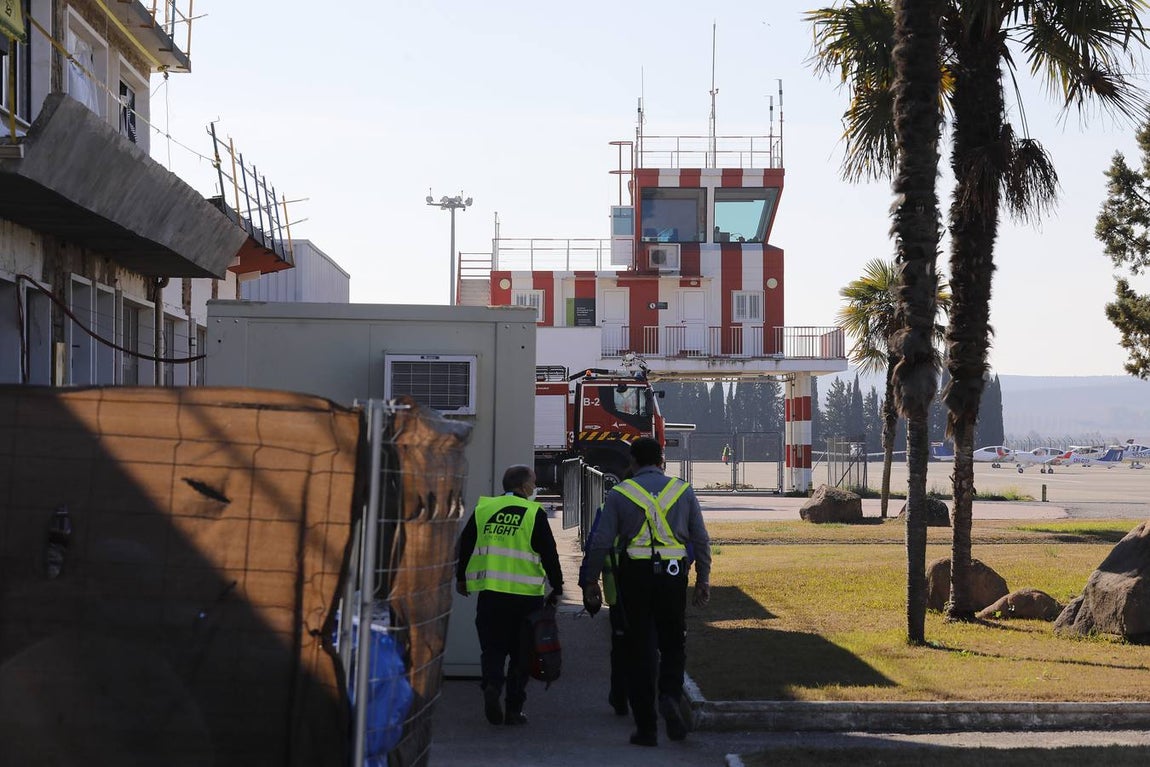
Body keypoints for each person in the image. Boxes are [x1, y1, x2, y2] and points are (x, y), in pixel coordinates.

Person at [579, 437, 711, 747]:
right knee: (673, 642)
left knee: (639, 650)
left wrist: (590, 580)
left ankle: (647, 728)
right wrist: (703, 578)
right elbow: (701, 539)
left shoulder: (619, 494)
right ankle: (668, 696)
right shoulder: (683, 490)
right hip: (674, 575)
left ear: (632, 462)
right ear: (662, 460)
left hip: (635, 576)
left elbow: (600, 541)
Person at [456, 465, 563, 726]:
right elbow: (549, 553)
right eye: (533, 482)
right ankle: (514, 709)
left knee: (492, 649)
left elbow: (466, 543)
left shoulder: (485, 509)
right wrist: (558, 587)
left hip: (491, 594)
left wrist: (461, 578)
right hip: (526, 598)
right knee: (521, 654)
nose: (535, 486)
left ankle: (492, 686)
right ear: (523, 486)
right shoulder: (533, 513)